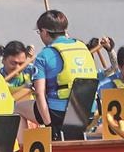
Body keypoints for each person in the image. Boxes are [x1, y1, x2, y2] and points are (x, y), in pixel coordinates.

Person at [13, 10, 97, 141]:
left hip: (60, 113)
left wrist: (49, 125)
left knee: (18, 108)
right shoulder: (83, 47)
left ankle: (24, 151)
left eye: (39, 32)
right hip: (89, 111)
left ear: (45, 32)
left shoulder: (44, 55)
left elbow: (39, 94)